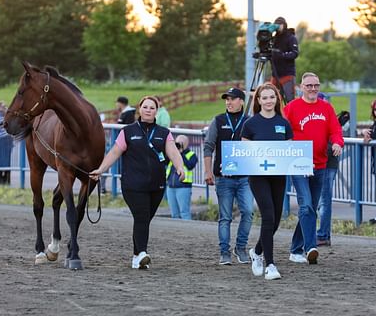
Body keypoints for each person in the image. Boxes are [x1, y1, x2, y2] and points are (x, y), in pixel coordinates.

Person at [89, 96, 184, 270]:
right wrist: (101, 169)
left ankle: (136, 257)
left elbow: (173, 152)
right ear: (139, 109)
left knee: (144, 220)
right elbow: (114, 153)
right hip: (133, 185)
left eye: (152, 107)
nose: (148, 110)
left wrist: (180, 167)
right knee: (141, 216)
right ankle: (142, 253)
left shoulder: (164, 133)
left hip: (156, 185)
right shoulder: (128, 132)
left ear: (157, 111)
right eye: (145, 107)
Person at [283, 72, 343, 265]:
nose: (313, 89)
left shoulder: (326, 108)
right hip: (299, 164)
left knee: (311, 208)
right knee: (306, 205)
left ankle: (295, 249)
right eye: (309, 85)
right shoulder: (292, 107)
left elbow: (335, 130)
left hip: (321, 164)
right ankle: (310, 247)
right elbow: (282, 129)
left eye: (316, 85)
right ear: (301, 87)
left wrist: (337, 143)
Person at [241, 83, 293, 279]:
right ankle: (270, 265)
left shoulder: (284, 123)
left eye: (272, 97)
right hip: (258, 175)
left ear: (277, 99)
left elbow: (289, 151)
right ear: (259, 101)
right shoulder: (250, 124)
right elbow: (244, 152)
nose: (269, 101)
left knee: (276, 220)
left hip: (279, 176)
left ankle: (256, 252)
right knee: (268, 216)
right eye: (265, 98)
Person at [204, 87, 254, 265]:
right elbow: (208, 146)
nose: (228, 102)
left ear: (241, 101)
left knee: (248, 212)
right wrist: (208, 171)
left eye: (232, 99)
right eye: (227, 99)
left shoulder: (249, 121)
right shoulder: (218, 120)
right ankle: (224, 251)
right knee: (225, 216)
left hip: (245, 178)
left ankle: (240, 248)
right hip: (223, 178)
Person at [316, 93, 343, 246]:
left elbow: (335, 136)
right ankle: (322, 234)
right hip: (320, 162)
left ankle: (323, 235)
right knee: (320, 201)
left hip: (327, 163)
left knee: (324, 201)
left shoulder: (328, 118)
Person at [166, 135, 198, 220]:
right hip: (170, 187)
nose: (178, 145)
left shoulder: (191, 155)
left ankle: (188, 231)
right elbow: (164, 161)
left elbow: (190, 165)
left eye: (180, 143)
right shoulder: (172, 154)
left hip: (183, 187)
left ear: (186, 144)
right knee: (174, 214)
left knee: (184, 213)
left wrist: (180, 154)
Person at [270, 16, 299, 103]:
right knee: (273, 100)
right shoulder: (274, 38)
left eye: (280, 24)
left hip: (287, 74)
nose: (278, 26)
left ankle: (290, 116)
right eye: (276, 24)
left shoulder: (291, 37)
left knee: (290, 100)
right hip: (275, 74)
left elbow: (295, 53)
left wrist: (282, 55)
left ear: (284, 25)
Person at [0, 101, 14, 185]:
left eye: (5, 106)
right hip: (0, 140)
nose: (4, 108)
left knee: (6, 160)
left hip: (6, 139)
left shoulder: (7, 116)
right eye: (2, 107)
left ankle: (6, 178)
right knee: (0, 160)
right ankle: (0, 178)